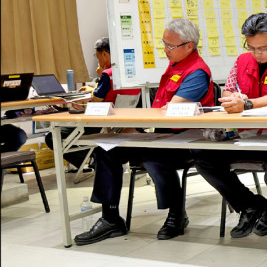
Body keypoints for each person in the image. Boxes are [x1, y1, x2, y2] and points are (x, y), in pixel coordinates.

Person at [74, 19, 215, 246]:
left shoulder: (197, 72)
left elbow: (171, 110)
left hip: (186, 138)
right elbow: (160, 110)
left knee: (155, 157)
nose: (165, 50)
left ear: (189, 46)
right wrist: (138, 128)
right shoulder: (175, 66)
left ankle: (176, 214)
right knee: (106, 151)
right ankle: (110, 218)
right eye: (164, 45)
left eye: (170, 46)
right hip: (160, 134)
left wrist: (143, 127)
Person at [190, 13, 267, 238]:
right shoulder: (242, 61)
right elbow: (229, 89)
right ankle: (250, 204)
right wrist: (230, 99)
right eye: (251, 47)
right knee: (204, 159)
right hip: (248, 135)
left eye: (262, 48)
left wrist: (247, 104)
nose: (256, 54)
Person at [44, 37, 114, 170]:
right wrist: (95, 88)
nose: (97, 59)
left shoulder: (106, 74)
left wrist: (100, 75)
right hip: (116, 123)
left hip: (100, 123)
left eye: (97, 55)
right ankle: (92, 156)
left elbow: (96, 100)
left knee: (52, 136)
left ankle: (90, 157)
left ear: (104, 54)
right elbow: (107, 92)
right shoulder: (121, 73)